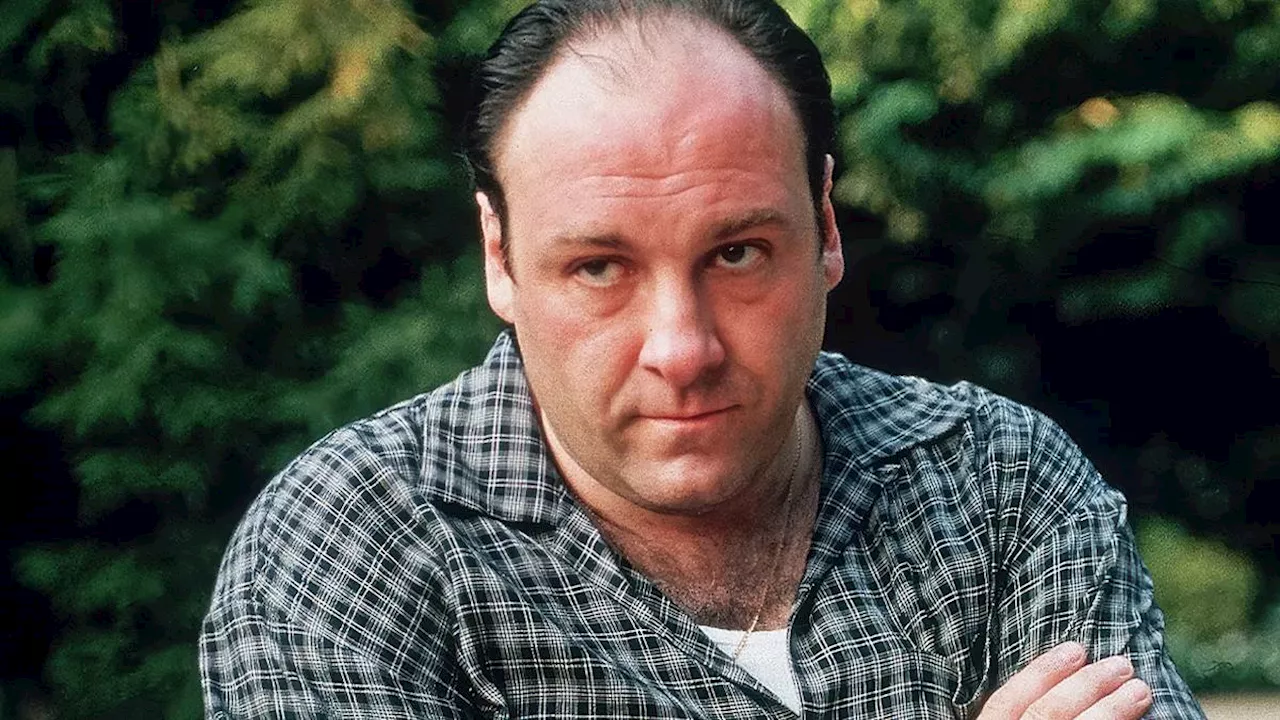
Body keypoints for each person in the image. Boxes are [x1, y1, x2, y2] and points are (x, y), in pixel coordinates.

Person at [199, 1, 1205, 717]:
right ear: (499, 259)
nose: (682, 349)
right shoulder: (358, 544)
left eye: (736, 254)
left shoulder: (997, 483)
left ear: (823, 226)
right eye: (599, 268)